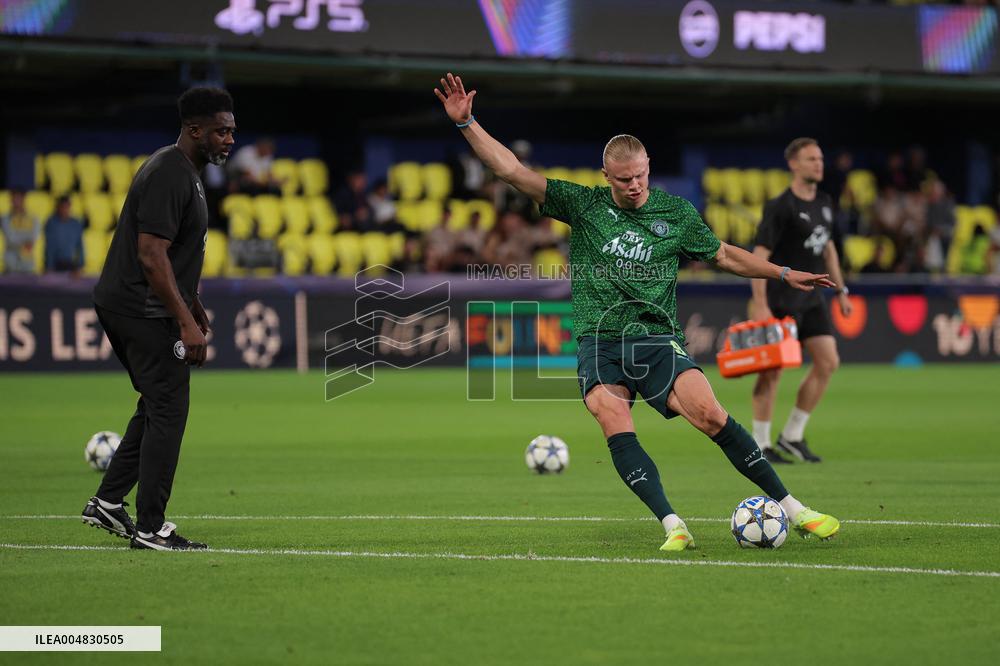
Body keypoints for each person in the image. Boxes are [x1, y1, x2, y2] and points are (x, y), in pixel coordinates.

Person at [435, 73, 840, 550]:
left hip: (655, 338)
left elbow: (725, 255)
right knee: (612, 417)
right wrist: (468, 125)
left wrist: (782, 272)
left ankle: (795, 509)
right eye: (624, 179)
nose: (634, 186)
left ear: (650, 167)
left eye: (641, 175)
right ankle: (673, 525)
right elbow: (510, 170)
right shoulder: (582, 204)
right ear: (606, 176)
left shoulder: (675, 213)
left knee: (709, 413)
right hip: (598, 341)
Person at [82, 86, 235, 551]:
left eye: (231, 131)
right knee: (170, 405)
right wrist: (184, 322)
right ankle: (151, 527)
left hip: (135, 302)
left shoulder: (183, 170)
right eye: (221, 132)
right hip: (139, 307)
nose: (229, 140)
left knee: (155, 402)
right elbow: (151, 255)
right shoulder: (171, 172)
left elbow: (171, 255)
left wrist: (190, 303)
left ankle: (109, 501)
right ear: (194, 130)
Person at [750, 138, 851, 465]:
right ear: (794, 164)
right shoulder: (781, 206)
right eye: (811, 159)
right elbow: (759, 257)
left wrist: (841, 290)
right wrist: (760, 303)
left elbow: (828, 247)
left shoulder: (824, 201)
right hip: (780, 300)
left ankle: (792, 436)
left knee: (828, 361)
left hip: (811, 300)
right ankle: (760, 443)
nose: (818, 164)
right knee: (771, 374)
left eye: (820, 158)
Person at [1, 188, 40, 274]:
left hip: (28, 265)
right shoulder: (5, 218)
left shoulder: (33, 218)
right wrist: (26, 239)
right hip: (10, 265)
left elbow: (35, 237)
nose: (16, 201)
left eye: (18, 198)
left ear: (23, 199)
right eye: (14, 198)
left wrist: (20, 237)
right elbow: (11, 238)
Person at [44, 195, 84, 274]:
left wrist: (79, 265)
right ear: (58, 207)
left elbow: (80, 246)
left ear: (70, 207)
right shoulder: (51, 223)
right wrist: (49, 266)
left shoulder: (76, 224)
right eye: (62, 207)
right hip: (55, 264)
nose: (64, 209)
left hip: (71, 264)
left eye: (67, 207)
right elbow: (49, 246)